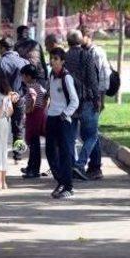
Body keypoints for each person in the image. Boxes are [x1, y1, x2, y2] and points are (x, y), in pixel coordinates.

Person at [64, 30, 100, 182]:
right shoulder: (86, 55)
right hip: (86, 101)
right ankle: (80, 164)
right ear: (81, 41)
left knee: (71, 137)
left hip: (69, 103)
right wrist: (97, 98)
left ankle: (71, 165)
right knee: (92, 135)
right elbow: (92, 79)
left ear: (68, 41)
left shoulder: (64, 57)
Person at [46, 47, 79, 199]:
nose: (53, 61)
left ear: (62, 61)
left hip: (63, 119)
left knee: (65, 153)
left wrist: (65, 114)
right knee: (50, 152)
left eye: (56, 59)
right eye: (51, 58)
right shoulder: (51, 75)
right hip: (51, 117)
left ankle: (68, 187)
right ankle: (60, 181)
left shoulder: (66, 77)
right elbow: (50, 95)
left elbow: (74, 100)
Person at [79, 26, 111, 180]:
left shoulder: (96, 53)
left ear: (87, 36)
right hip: (85, 98)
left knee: (90, 133)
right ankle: (95, 166)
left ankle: (91, 165)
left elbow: (104, 78)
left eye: (81, 36)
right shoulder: (82, 52)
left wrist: (101, 99)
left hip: (94, 99)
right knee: (89, 134)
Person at [0, 37, 28, 162]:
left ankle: (1, 155)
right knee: (18, 128)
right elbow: (28, 83)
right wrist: (20, 94)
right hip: (19, 99)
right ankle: (18, 156)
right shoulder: (24, 62)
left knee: (1, 127)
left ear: (2, 48)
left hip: (2, 100)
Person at [19, 64, 47, 179]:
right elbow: (45, 98)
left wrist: (29, 109)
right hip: (40, 114)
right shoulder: (39, 86)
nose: (22, 78)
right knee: (35, 144)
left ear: (28, 76)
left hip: (34, 116)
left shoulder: (31, 87)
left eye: (23, 76)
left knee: (33, 144)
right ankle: (31, 166)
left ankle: (33, 169)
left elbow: (33, 97)